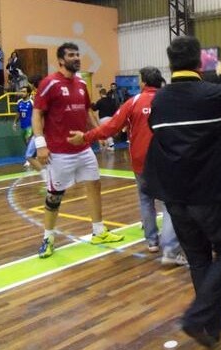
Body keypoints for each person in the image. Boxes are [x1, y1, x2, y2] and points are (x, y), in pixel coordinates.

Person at [143, 36, 221, 347]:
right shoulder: (212, 93)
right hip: (211, 193)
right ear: (199, 62)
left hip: (175, 197)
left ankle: (212, 324)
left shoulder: (160, 101)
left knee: (199, 259)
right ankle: (197, 316)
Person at [67, 66, 185, 265]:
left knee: (145, 200)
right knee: (168, 204)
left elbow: (111, 127)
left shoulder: (134, 102)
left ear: (143, 82)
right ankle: (171, 250)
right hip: (166, 161)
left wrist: (86, 137)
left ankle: (152, 242)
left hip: (141, 162)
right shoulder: (170, 101)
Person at [32, 42, 124, 258]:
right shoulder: (49, 83)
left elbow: (86, 112)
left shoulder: (81, 83)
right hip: (59, 151)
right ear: (61, 60)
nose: (76, 57)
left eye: (77, 54)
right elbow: (37, 113)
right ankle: (48, 238)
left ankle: (98, 231)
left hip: (83, 149)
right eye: (71, 55)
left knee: (94, 184)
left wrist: (99, 133)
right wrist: (40, 144)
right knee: (54, 196)